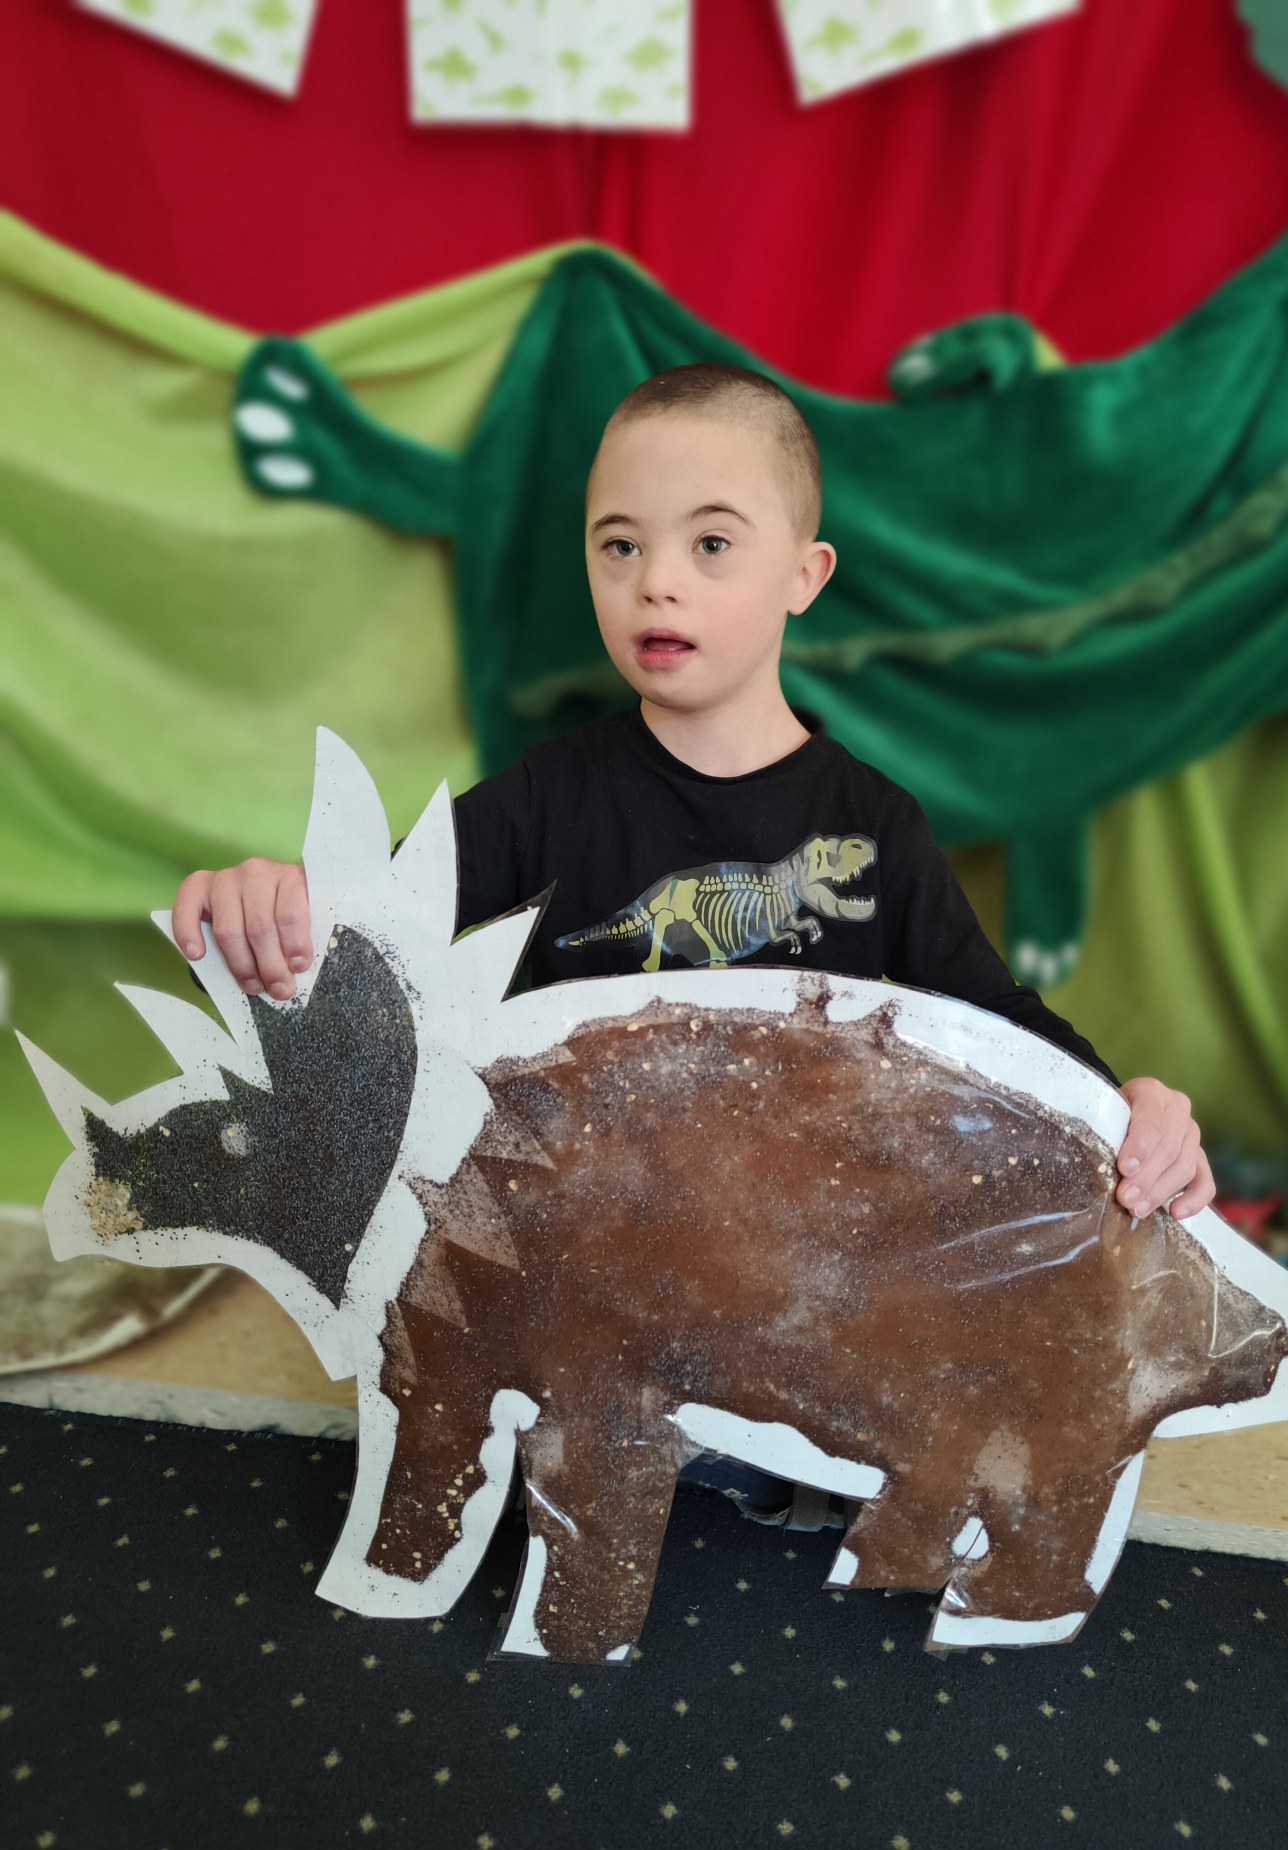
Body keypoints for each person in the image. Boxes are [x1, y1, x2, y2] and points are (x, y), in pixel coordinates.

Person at [173, 363, 1214, 1515]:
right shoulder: (544, 799)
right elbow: (372, 920)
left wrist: (1129, 1106)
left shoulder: (869, 826)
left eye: (710, 544)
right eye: (618, 546)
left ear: (803, 575)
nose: (655, 581)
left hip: (793, 1294)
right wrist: (272, 896)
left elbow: (995, 1020)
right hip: (585, 1281)